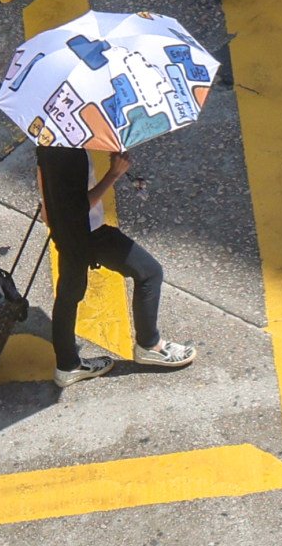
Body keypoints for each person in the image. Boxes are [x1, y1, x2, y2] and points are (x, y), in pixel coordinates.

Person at [27, 117, 191, 383]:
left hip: (65, 232)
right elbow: (79, 207)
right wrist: (113, 174)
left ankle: (67, 366)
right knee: (149, 273)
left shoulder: (49, 136)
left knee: (68, 296)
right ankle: (150, 346)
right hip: (88, 234)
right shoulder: (70, 155)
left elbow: (45, 183)